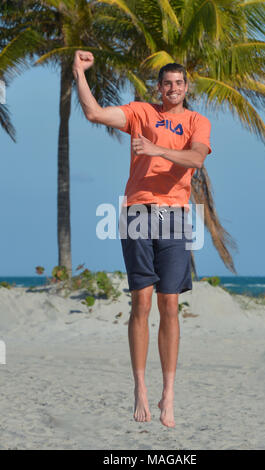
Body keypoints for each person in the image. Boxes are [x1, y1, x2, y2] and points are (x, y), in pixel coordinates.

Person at [73, 50, 212, 428]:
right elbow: (94, 113)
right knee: (142, 303)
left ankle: (168, 393)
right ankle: (140, 388)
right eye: (166, 84)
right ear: (159, 87)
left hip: (176, 216)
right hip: (138, 212)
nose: (172, 89)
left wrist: (155, 149)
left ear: (186, 88)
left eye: (179, 84)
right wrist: (79, 74)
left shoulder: (198, 121)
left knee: (170, 304)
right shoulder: (140, 113)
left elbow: (196, 159)